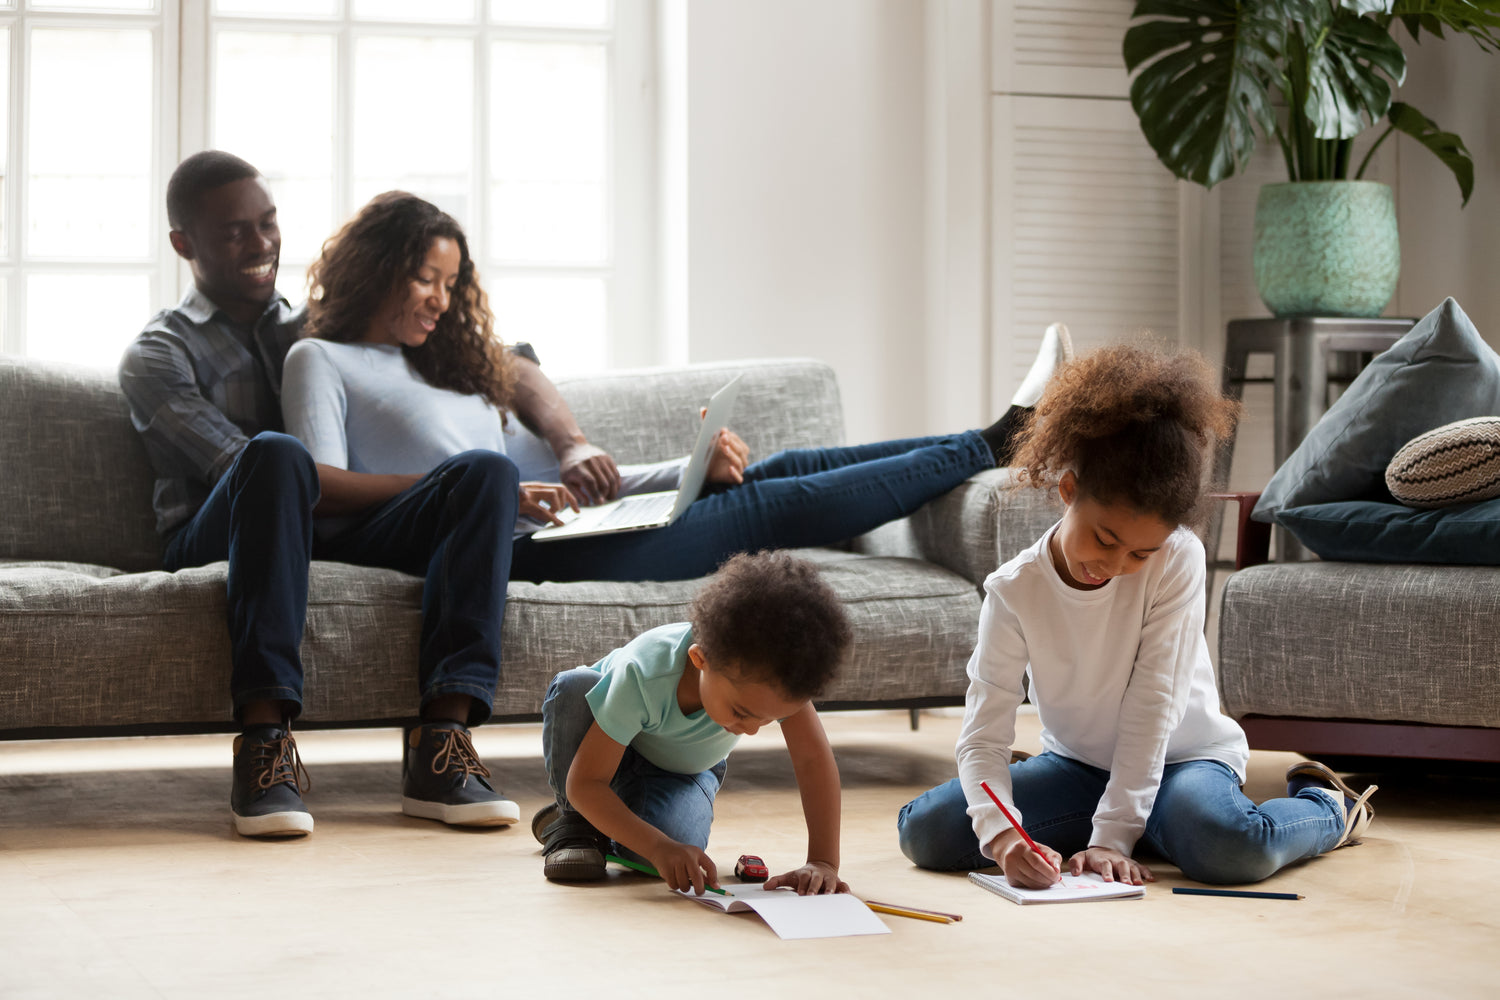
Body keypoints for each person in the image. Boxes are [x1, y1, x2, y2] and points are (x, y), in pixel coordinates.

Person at [279, 190, 1076, 588]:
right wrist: (481, 492)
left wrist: (685, 470)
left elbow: (553, 473)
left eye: (450, 285)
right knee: (768, 510)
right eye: (425, 278)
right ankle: (998, 439)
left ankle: (1001, 433)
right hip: (510, 555)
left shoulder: (447, 367)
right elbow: (317, 490)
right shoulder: (323, 361)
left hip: (558, 527)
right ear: (375, 266)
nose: (439, 301)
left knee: (778, 468)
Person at [117, 152, 579, 839]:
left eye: (268, 223)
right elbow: (241, 470)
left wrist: (571, 443)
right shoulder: (160, 353)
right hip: (218, 530)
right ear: (184, 243)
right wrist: (428, 484)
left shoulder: (314, 324)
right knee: (275, 456)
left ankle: (442, 746)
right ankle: (265, 744)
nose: (262, 243)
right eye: (235, 231)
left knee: (485, 470)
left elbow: (506, 358)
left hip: (334, 525)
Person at [894, 343, 1378, 888]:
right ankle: (1127, 821)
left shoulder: (1179, 558)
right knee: (927, 832)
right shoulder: (1013, 591)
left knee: (1229, 848)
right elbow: (983, 736)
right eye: (1105, 538)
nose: (1117, 565)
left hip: (1184, 761)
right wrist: (1005, 838)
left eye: (1140, 553)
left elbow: (1154, 705)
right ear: (1069, 490)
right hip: (1077, 765)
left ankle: (1330, 806)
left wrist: (1111, 838)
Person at [532, 551, 853, 892]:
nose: (751, 729)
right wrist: (654, 844)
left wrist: (823, 860)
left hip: (682, 772)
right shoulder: (644, 672)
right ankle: (575, 823)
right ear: (701, 659)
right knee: (574, 687)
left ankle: (605, 820)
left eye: (768, 720)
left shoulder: (778, 681)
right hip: (597, 753)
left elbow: (813, 760)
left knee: (669, 855)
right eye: (742, 712)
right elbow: (586, 782)